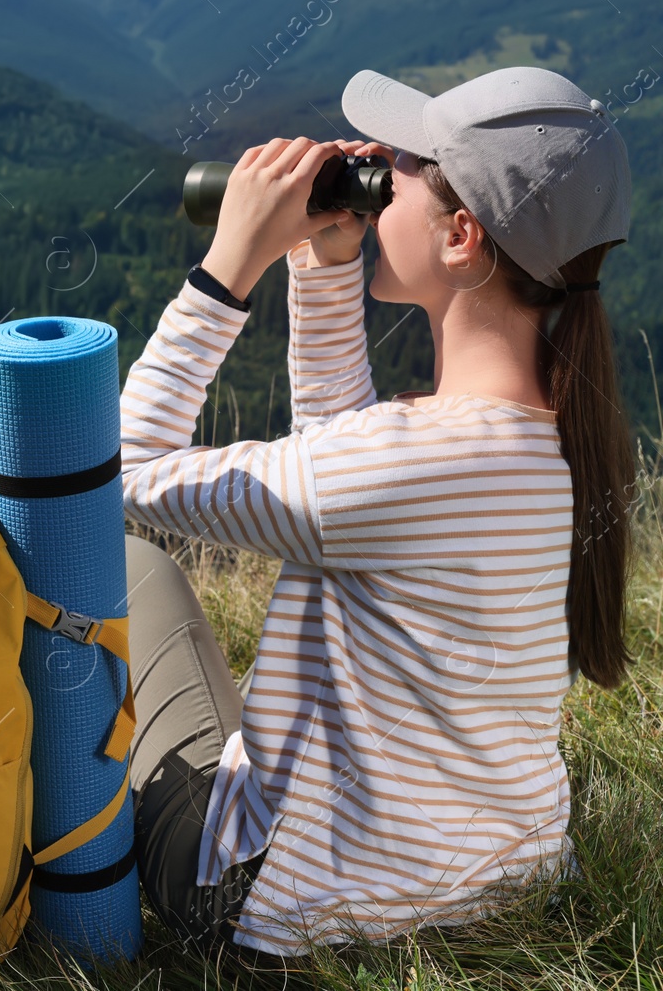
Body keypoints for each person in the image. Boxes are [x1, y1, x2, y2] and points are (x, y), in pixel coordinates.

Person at [117, 65, 636, 957]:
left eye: (399, 168)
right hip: (500, 876)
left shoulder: (407, 457)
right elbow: (354, 490)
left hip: (285, 909)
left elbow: (122, 473)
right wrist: (325, 265)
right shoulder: (571, 434)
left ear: (462, 237)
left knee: (136, 568)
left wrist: (227, 267)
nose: (376, 174)